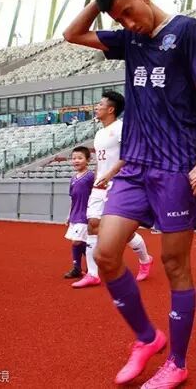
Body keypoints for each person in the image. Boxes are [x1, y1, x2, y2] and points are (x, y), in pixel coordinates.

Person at [63, 0, 196, 387]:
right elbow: (72, 34)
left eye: (130, 12)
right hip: (134, 168)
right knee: (105, 254)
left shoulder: (188, 31)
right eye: (120, 19)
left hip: (177, 167)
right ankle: (148, 338)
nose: (129, 23)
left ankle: (178, 363)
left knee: (174, 264)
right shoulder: (129, 40)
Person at [71, 91, 153, 289]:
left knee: (119, 232)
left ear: (111, 109)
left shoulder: (122, 128)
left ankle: (145, 259)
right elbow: (101, 161)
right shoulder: (99, 133)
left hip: (118, 184)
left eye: (101, 104)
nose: (97, 107)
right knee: (92, 225)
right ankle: (93, 274)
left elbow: (129, 156)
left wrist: (110, 175)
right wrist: (97, 179)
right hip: (100, 185)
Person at [64, 146, 95, 279]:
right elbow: (73, 198)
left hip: (86, 214)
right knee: (81, 242)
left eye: (80, 158)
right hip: (75, 215)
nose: (76, 160)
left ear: (87, 160)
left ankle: (81, 267)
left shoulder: (91, 176)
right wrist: (69, 215)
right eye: (74, 158)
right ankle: (86, 266)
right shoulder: (73, 178)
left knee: (77, 242)